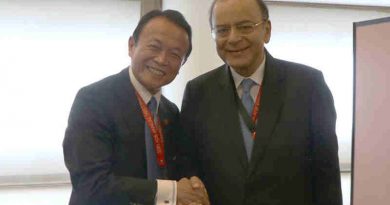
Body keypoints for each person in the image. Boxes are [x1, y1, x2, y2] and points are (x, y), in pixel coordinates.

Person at [180, 0, 343, 204]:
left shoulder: (308, 86)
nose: (233, 38)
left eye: (245, 27)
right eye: (222, 30)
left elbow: (327, 175)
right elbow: (188, 168)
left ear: (267, 30)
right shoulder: (198, 93)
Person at [63, 9, 208, 205]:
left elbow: (177, 166)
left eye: (175, 54)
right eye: (154, 47)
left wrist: (193, 183)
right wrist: (172, 191)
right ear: (132, 46)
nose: (162, 59)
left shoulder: (170, 111)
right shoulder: (93, 100)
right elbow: (91, 183)